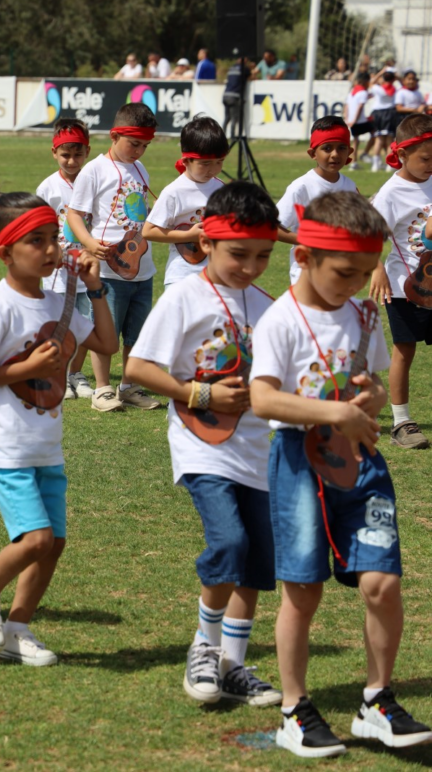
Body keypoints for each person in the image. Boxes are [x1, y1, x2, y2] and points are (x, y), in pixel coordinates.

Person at [250, 191, 432, 758]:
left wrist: (372, 399)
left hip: (361, 464)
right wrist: (336, 412)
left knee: (382, 583)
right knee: (301, 593)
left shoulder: (365, 313)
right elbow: (262, 400)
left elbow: (371, 388)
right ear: (303, 257)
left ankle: (376, 700)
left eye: (363, 272)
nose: (355, 284)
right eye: (344, 272)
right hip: (298, 465)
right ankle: (294, 710)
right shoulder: (280, 318)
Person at [130, 182, 283, 707]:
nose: (251, 266)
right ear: (207, 242)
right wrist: (199, 392)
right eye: (239, 254)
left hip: (261, 453)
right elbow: (138, 366)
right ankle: (204, 646)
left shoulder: (270, 306)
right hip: (204, 445)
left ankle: (234, 666)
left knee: (260, 560)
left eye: (263, 256)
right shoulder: (184, 296)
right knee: (230, 543)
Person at [0, 195, 117, 665]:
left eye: (53, 240)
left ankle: (16, 630)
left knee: (55, 543)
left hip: (47, 445)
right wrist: (22, 368)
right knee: (37, 539)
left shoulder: (58, 300)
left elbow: (106, 343)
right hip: (6, 445)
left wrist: (95, 288)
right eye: (35, 241)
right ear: (5, 251)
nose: (49, 251)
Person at [66, 102, 162, 413]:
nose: (139, 151)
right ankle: (103, 389)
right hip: (108, 270)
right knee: (106, 331)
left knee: (136, 333)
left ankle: (130, 386)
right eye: (134, 143)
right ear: (114, 135)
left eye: (145, 145)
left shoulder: (140, 169)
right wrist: (89, 243)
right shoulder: (94, 169)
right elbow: (74, 214)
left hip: (141, 269)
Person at [368, 112, 432, 450]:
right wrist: (377, 266)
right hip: (403, 286)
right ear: (402, 154)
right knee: (404, 351)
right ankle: (401, 422)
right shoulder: (391, 192)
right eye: (425, 158)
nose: (430, 164)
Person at [36, 118, 95, 400]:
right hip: (57, 271)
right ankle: (56, 372)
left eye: (78, 154)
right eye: (65, 155)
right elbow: (38, 227)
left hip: (89, 268)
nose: (72, 161)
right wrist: (51, 251)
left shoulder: (95, 182)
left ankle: (76, 373)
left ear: (88, 152)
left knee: (86, 321)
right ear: (53, 153)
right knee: (58, 321)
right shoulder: (47, 188)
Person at [142, 115, 229, 287]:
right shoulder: (174, 191)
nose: (213, 169)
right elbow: (148, 231)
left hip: (217, 277)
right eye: (205, 164)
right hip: (182, 277)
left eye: (219, 162)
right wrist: (189, 235)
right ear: (186, 160)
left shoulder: (223, 190)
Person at [276, 116, 359, 283]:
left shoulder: (350, 186)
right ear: (313, 153)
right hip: (307, 276)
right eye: (327, 148)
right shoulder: (301, 187)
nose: (335, 154)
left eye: (341, 148)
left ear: (350, 152)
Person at [345, 72, 372, 170]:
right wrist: (355, 120)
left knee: (356, 141)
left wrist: (347, 119)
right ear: (365, 81)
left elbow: (347, 106)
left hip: (352, 120)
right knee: (377, 133)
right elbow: (360, 107)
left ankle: (354, 163)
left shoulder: (352, 91)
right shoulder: (363, 92)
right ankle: (365, 154)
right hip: (359, 121)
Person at [222, 57, 253, 139]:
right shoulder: (244, 69)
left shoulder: (231, 68)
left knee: (226, 118)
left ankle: (221, 136)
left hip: (225, 95)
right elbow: (251, 77)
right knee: (234, 118)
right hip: (234, 96)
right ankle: (233, 137)